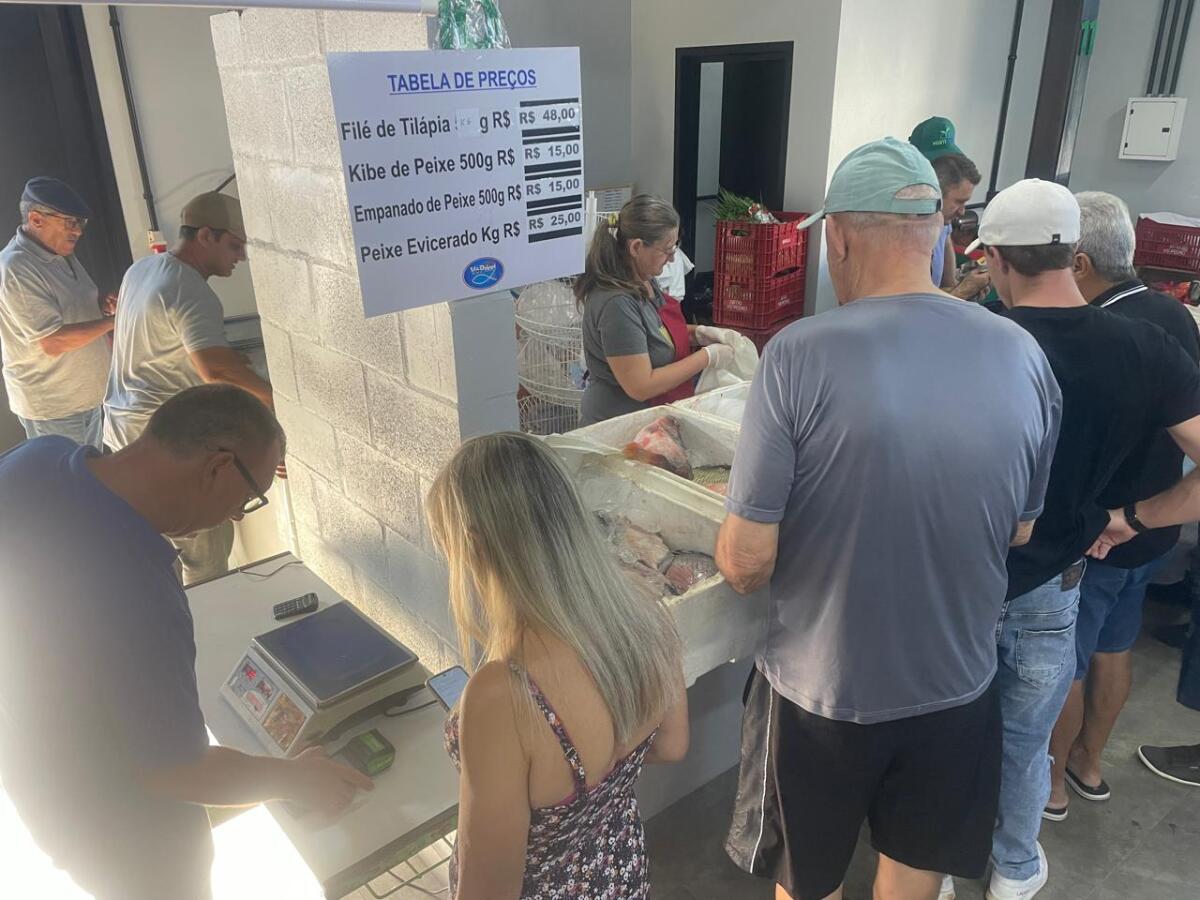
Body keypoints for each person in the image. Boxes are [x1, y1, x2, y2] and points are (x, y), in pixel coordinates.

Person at [717, 138, 1061, 900]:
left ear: (838, 238)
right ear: (936, 231)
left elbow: (744, 564)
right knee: (913, 871)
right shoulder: (1022, 353)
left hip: (821, 691)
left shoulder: (797, 355)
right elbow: (1021, 529)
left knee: (807, 880)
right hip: (958, 683)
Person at [0, 384, 372, 900]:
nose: (237, 515)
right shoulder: (136, 584)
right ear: (218, 467)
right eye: (248, 498)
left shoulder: (40, 457)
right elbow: (178, 771)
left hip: (29, 761)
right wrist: (296, 779)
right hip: (120, 833)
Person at [974, 179, 1200, 900]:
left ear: (998, 260)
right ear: (1073, 254)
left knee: (948, 732)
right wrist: (1137, 517)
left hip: (961, 581)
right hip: (1055, 581)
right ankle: (1013, 867)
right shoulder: (1146, 346)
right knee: (1023, 740)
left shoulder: (980, 341)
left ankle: (938, 868)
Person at [425, 432, 689, 899]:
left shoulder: (503, 696)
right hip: (621, 878)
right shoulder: (645, 612)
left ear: (474, 546)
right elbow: (671, 745)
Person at [1045, 191, 1200, 817]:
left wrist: (1120, 519)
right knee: (1114, 648)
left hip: (1104, 531)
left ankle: (1051, 785)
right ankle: (1088, 764)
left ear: (1079, 263)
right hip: (1156, 523)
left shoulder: (1107, 335)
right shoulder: (1173, 313)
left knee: (1067, 664)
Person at [104, 191, 275, 585]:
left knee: (153, 552)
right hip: (167, 446)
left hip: (122, 434)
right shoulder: (192, 290)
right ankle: (203, 621)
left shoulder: (142, 269)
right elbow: (215, 369)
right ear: (205, 236)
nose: (241, 257)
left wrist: (230, 360)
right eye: (235, 245)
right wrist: (272, 400)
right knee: (206, 557)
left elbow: (165, 346)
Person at [576, 194, 731, 425]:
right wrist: (707, 357)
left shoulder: (644, 279)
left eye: (675, 247)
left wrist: (698, 333)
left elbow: (655, 332)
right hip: (617, 424)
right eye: (667, 250)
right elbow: (641, 385)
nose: (672, 259)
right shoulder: (616, 304)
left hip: (650, 418)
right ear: (637, 247)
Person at [0, 176, 115, 445]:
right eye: (69, 222)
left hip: (86, 397)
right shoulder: (17, 267)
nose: (78, 231)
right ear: (36, 219)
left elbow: (71, 308)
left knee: (87, 469)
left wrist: (102, 306)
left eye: (80, 223)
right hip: (56, 408)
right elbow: (52, 341)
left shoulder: (61, 252)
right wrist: (116, 322)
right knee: (67, 473)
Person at [909, 116, 990, 300]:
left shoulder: (944, 223)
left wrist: (964, 289)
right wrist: (962, 292)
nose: (962, 212)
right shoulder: (902, 231)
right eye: (958, 202)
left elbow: (946, 285)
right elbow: (911, 306)